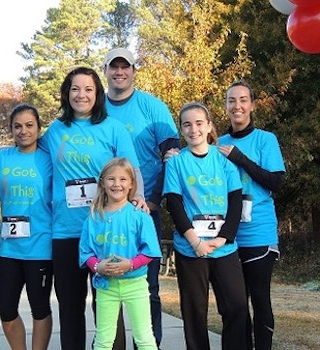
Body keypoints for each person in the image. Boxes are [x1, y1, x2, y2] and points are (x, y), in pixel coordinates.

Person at [38, 66, 146, 349]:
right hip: (66, 232)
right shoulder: (55, 130)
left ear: (97, 94)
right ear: (66, 93)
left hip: (107, 231)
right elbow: (30, 154)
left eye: (88, 89)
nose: (81, 94)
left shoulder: (113, 128)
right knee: (70, 309)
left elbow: (132, 169)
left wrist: (139, 199)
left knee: (108, 310)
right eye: (75, 88)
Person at [103, 48, 180, 348]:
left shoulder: (153, 107)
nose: (119, 72)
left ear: (134, 70)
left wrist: (154, 199)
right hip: (106, 211)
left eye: (125, 67)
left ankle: (149, 345)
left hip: (144, 210)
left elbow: (171, 156)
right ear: (106, 70)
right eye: (114, 67)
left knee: (148, 288)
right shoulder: (97, 109)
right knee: (107, 287)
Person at [163, 102, 249, 350]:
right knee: (194, 313)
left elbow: (235, 201)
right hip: (191, 250)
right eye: (187, 124)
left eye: (199, 123)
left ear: (209, 126)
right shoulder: (176, 163)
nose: (194, 129)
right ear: (181, 130)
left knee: (237, 306)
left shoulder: (223, 161)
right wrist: (195, 242)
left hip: (224, 248)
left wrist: (223, 238)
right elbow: (175, 205)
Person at [219, 80, 286, 349]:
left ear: (252, 105)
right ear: (225, 106)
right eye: (232, 100)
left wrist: (241, 159)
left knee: (259, 298)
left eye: (243, 100)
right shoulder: (218, 144)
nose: (237, 106)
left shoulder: (265, 140)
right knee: (235, 303)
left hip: (259, 232)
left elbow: (275, 182)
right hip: (228, 237)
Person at [79, 157, 162, 350]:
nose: (117, 184)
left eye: (123, 179)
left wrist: (131, 264)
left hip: (135, 284)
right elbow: (85, 252)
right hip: (106, 286)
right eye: (111, 179)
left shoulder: (139, 215)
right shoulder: (94, 217)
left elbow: (150, 251)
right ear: (102, 182)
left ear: (132, 183)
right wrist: (97, 266)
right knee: (103, 340)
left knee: (144, 338)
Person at [0, 104, 53, 350]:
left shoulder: (48, 159)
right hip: (9, 250)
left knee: (40, 308)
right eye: (17, 126)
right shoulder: (4, 157)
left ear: (38, 128)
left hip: (40, 247)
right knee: (5, 309)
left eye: (29, 125)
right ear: (11, 129)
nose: (23, 131)